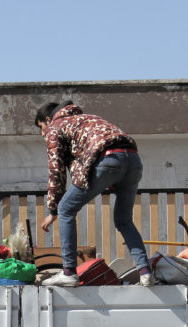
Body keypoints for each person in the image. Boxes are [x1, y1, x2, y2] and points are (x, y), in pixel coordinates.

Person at [35, 101, 155, 288]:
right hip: (133, 160)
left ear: (48, 120)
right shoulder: (89, 118)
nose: (43, 133)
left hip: (107, 160)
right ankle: (146, 272)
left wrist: (53, 210)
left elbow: (56, 171)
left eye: (41, 127)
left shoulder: (56, 126)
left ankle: (68, 273)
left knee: (65, 209)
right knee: (124, 221)